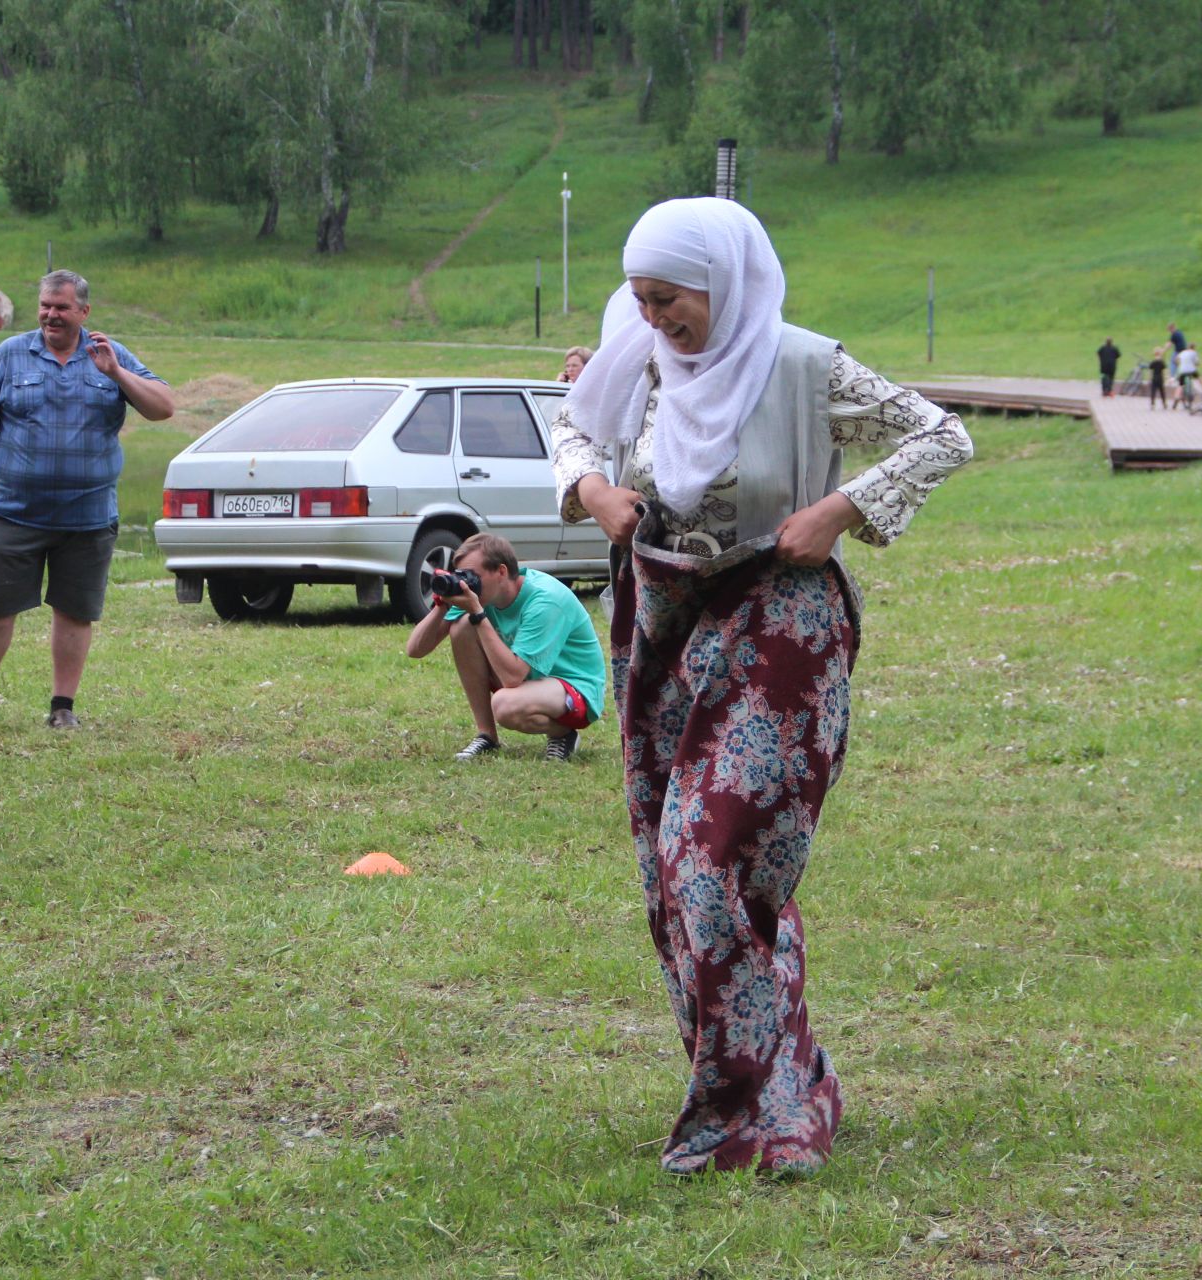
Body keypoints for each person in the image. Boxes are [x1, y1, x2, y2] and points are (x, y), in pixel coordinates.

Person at [550, 197, 972, 1174]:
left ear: (724, 283)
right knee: (674, 876)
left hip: (780, 626)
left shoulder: (802, 363)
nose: (653, 319)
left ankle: (741, 1114)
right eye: (641, 299)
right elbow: (575, 428)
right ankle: (788, 1087)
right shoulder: (640, 353)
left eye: (670, 300)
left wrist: (841, 506)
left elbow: (941, 435)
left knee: (717, 864)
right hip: (663, 626)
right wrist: (590, 489)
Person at [0, 269, 174, 736]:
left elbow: (163, 406)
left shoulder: (109, 355)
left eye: (62, 307)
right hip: (15, 510)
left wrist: (117, 373)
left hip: (88, 515)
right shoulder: (9, 355)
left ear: (84, 312)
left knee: (75, 611)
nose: (51, 314)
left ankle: (62, 708)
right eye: (46, 305)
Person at [404, 532, 605, 762]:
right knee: (461, 628)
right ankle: (486, 736)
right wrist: (442, 604)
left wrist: (478, 614)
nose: (467, 583)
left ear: (501, 571)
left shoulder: (545, 600)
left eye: (472, 576)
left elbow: (512, 679)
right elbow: (415, 649)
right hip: (530, 680)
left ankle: (563, 734)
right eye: (461, 575)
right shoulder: (484, 595)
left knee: (504, 705)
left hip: (574, 687)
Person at [1172, 342, 1200, 408]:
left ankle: (1176, 399)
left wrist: (1178, 364)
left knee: (1180, 385)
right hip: (1191, 370)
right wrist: (1196, 364)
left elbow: (1175, 360)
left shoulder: (1183, 352)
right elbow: (1197, 362)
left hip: (1183, 371)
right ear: (1194, 348)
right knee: (1199, 377)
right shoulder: (1194, 352)